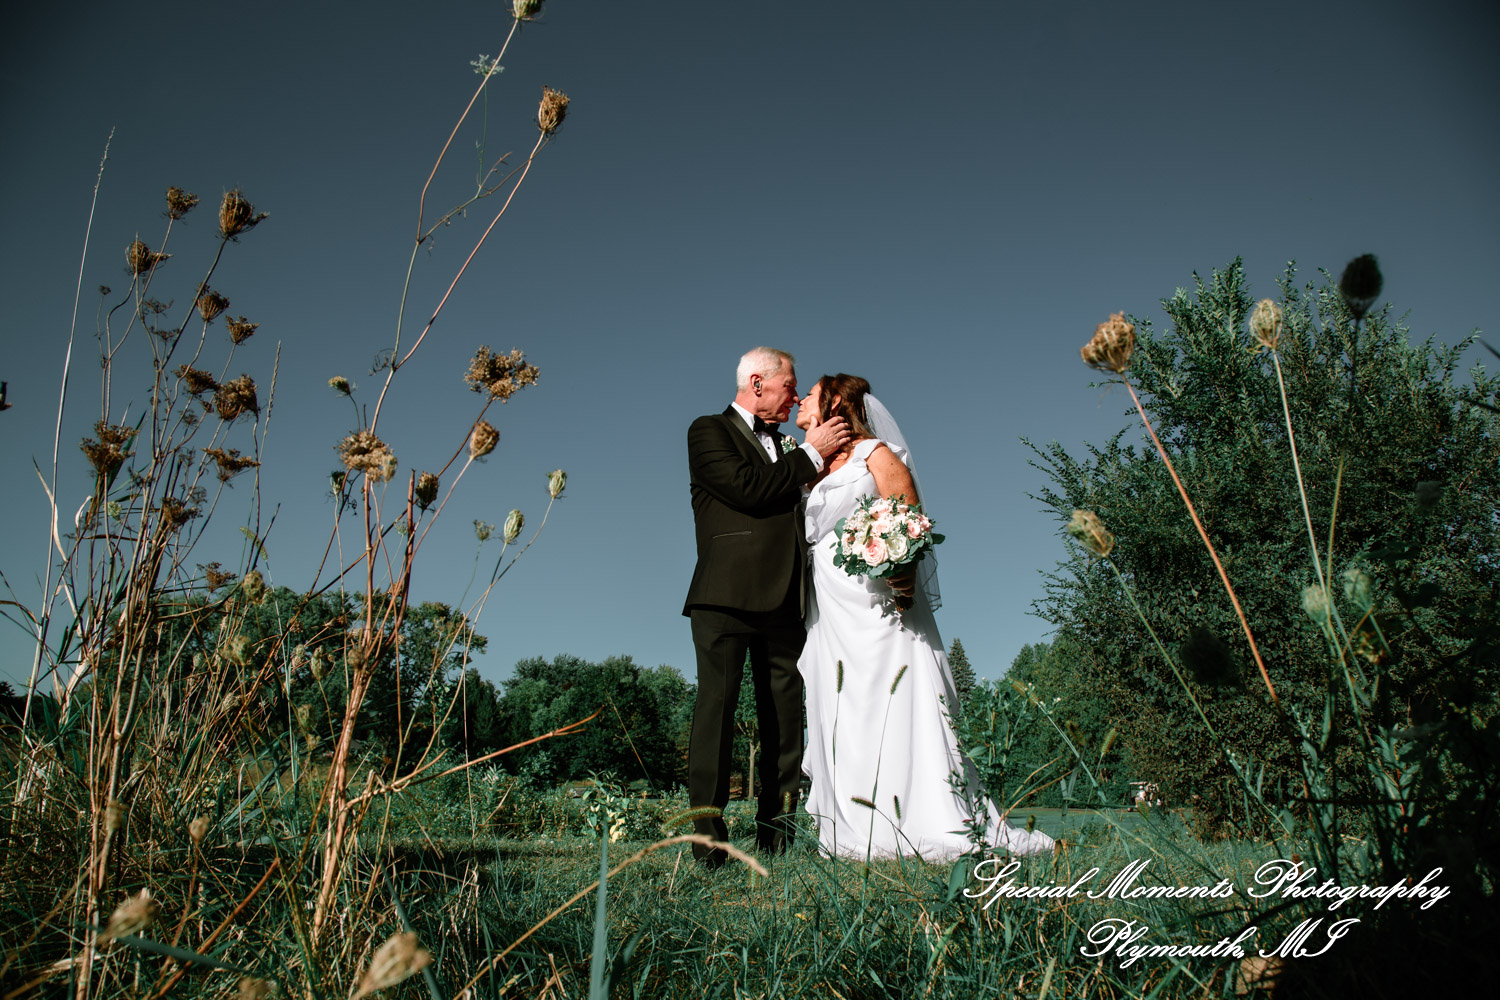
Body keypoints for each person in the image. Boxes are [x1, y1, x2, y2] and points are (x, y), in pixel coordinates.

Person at [795, 374, 1055, 860]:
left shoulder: (876, 454)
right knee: (841, 702)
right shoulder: (808, 468)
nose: (800, 399)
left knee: (893, 697)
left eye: (809, 393)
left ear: (833, 404)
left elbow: (907, 518)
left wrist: (900, 575)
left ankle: (922, 814)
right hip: (829, 609)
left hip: (876, 603)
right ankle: (854, 822)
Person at [683, 348, 850, 868]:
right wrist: (812, 455)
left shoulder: (787, 444)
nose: (796, 396)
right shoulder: (707, 431)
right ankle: (708, 843)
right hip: (725, 598)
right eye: (789, 386)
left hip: (786, 600)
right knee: (717, 712)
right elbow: (747, 489)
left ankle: (776, 837)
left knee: (785, 721)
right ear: (757, 383)